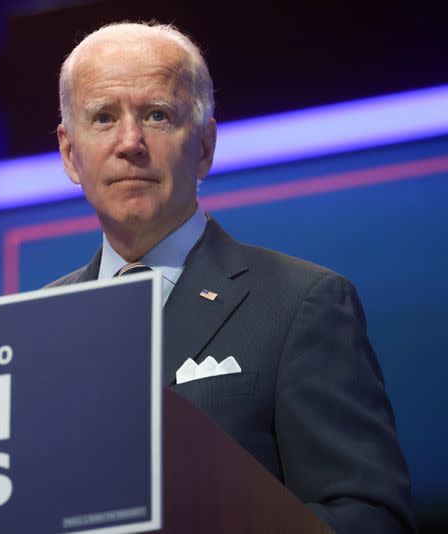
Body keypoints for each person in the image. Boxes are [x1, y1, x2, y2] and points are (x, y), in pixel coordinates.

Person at [48, 22, 415, 533]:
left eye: (157, 115)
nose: (130, 142)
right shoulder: (35, 328)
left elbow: (370, 519)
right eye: (104, 118)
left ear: (203, 145)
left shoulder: (302, 304)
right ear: (70, 153)